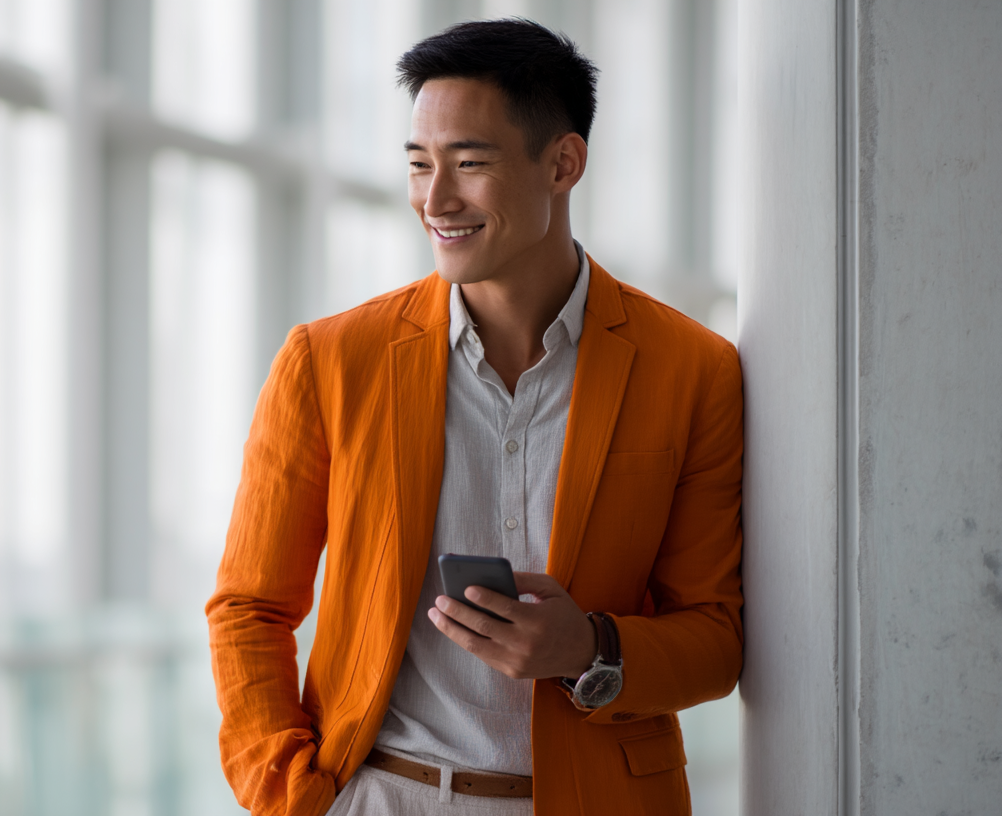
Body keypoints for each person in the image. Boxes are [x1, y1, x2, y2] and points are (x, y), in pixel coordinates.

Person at [206, 18, 743, 816]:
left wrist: (590, 646)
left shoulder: (692, 369)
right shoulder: (331, 362)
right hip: (382, 795)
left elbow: (716, 637)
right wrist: (289, 796)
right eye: (419, 165)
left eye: (469, 163)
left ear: (562, 164)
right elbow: (249, 606)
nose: (435, 200)